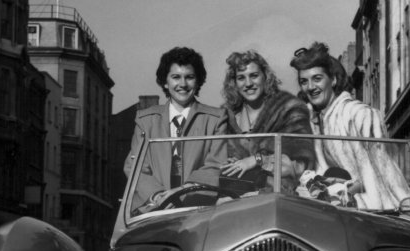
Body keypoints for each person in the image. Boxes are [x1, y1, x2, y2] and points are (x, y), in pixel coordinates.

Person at [289, 42, 410, 209]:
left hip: (372, 212)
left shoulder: (359, 115)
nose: (310, 87)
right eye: (304, 81)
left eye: (317, 79)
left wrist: (343, 192)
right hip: (333, 212)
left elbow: (380, 174)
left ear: (333, 79)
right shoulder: (310, 121)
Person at [123, 46, 229, 207]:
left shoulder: (216, 118)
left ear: (198, 80)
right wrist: (158, 196)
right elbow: (134, 166)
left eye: (189, 77)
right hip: (152, 208)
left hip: (197, 206)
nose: (183, 84)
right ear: (165, 82)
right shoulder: (145, 119)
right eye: (176, 77)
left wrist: (183, 191)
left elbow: (215, 165)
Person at [218, 50, 313, 189]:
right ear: (234, 83)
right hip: (236, 196)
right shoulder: (226, 118)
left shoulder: (289, 110)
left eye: (254, 76)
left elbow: (300, 165)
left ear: (265, 77)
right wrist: (230, 163)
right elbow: (216, 162)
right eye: (241, 78)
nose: (248, 83)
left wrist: (258, 160)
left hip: (280, 195)